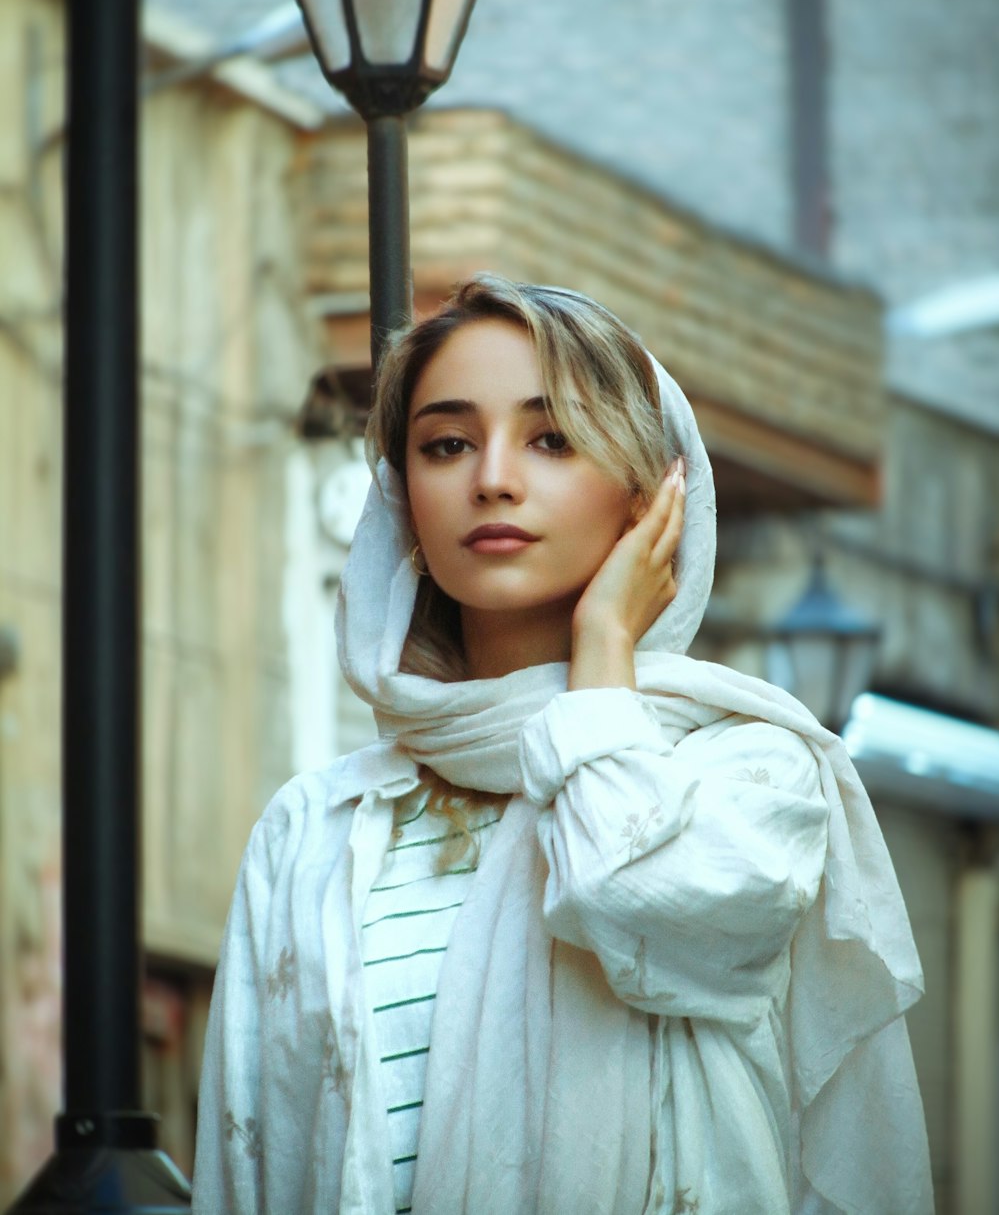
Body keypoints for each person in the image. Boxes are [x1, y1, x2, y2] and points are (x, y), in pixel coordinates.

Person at [193, 275, 933, 1214]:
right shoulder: (317, 828)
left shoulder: (748, 774)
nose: (492, 476)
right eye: (446, 443)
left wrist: (606, 648)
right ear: (404, 500)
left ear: (651, 493)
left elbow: (633, 901)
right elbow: (242, 1163)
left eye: (552, 438)